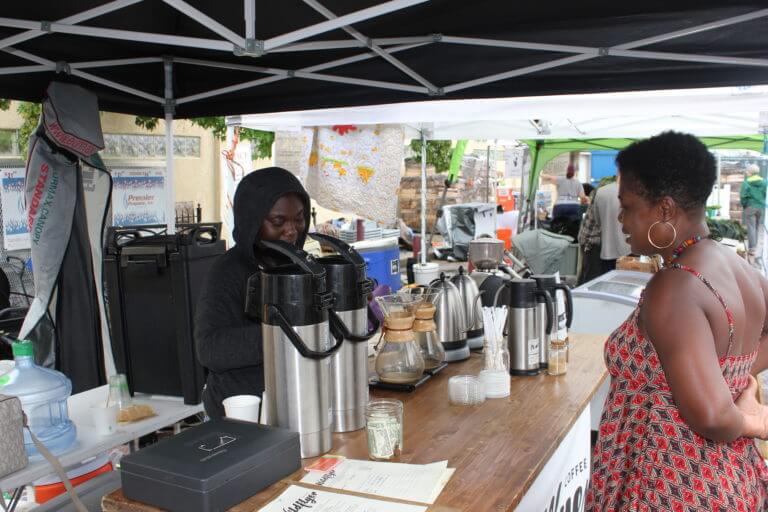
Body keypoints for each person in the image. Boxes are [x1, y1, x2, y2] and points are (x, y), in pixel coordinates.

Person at [586, 132, 768, 511]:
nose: (620, 219)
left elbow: (714, 416)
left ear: (665, 210)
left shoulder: (674, 287)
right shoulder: (736, 264)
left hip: (669, 487)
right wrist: (723, 379)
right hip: (726, 477)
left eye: (628, 205)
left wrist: (753, 420)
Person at [195, 167, 310, 419]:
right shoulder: (227, 271)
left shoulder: (301, 265)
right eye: (278, 222)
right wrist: (283, 334)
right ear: (252, 221)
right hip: (240, 415)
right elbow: (210, 348)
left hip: (295, 405)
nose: (292, 230)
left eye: (299, 218)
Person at [577, 176, 630, 284]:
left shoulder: (601, 192)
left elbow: (594, 222)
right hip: (605, 248)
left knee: (593, 285)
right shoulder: (631, 192)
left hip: (595, 246)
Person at [740, 163, 766, 259]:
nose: (746, 173)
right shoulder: (764, 182)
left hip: (750, 206)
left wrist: (744, 205)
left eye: (747, 171)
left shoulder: (746, 183)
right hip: (760, 207)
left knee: (751, 227)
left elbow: (743, 196)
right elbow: (764, 193)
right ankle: (755, 247)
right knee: (757, 227)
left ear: (750, 172)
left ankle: (752, 249)